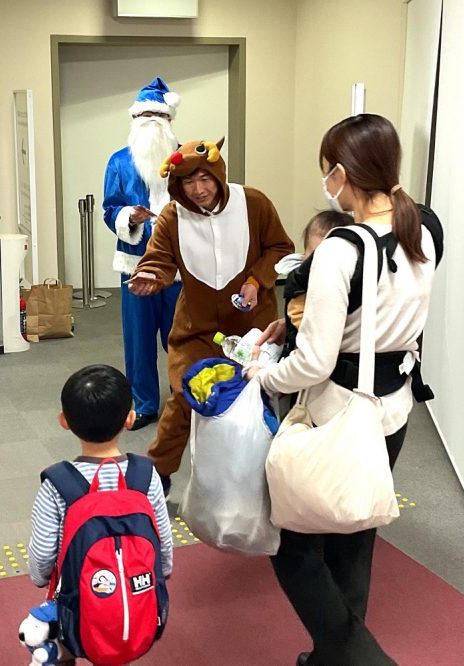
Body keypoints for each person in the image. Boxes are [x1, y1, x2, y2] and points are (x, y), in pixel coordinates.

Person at [246, 114, 443, 665]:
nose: (325, 183)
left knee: (293, 546)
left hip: (339, 409)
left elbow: (313, 363)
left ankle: (361, 660)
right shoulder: (424, 228)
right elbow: (378, 309)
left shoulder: (339, 248)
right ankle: (331, 660)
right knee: (355, 534)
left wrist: (264, 376)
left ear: (340, 173)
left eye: (327, 172)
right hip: (395, 409)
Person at [127, 137, 294, 496]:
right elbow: (160, 258)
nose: (199, 189)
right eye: (188, 182)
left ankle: (271, 480)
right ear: (176, 184)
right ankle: (158, 474)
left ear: (218, 175)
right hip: (197, 328)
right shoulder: (173, 215)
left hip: (253, 330)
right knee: (186, 395)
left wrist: (256, 280)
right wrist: (150, 276)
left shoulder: (253, 203)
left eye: (205, 179)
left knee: (257, 401)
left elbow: (281, 247)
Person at [27, 364, 173, 663]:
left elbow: (43, 553)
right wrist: (161, 573)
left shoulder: (58, 483)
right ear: (129, 420)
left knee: (62, 642)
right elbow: (162, 537)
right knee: (119, 632)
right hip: (133, 594)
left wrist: (41, 579)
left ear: (64, 421)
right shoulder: (146, 475)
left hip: (74, 597)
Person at [103, 77, 183, 431]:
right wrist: (128, 216)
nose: (152, 122)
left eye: (158, 116)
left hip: (180, 267)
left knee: (181, 335)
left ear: (168, 121)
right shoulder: (119, 163)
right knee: (138, 339)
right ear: (135, 121)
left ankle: (183, 395)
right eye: (145, 116)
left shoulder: (187, 159)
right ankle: (146, 402)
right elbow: (109, 209)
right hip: (136, 264)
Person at [277, 210, 354, 356]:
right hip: (307, 350)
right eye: (314, 256)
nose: (321, 264)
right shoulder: (302, 284)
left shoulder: (351, 281)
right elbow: (301, 322)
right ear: (304, 254)